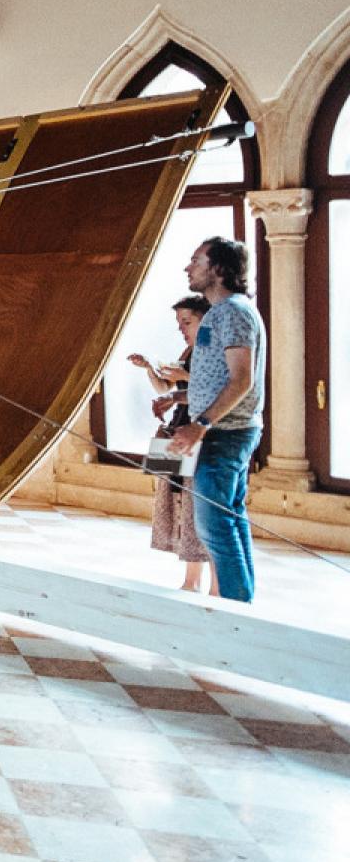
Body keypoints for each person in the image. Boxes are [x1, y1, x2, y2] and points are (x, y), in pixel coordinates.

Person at [166, 237, 266, 602]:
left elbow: (242, 379)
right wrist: (179, 399)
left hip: (225, 433)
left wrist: (201, 424)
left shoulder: (235, 311)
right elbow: (215, 377)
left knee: (215, 527)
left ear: (218, 269)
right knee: (228, 520)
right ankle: (240, 607)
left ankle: (236, 614)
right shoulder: (221, 313)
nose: (188, 268)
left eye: (196, 261)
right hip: (219, 430)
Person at [128, 295, 210, 591]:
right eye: (179, 323)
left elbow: (215, 389)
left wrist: (181, 379)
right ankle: (191, 579)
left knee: (198, 504)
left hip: (200, 430)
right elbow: (168, 386)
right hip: (178, 425)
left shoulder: (214, 349)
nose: (181, 329)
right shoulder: (190, 348)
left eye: (186, 322)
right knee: (176, 501)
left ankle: (207, 582)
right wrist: (151, 368)